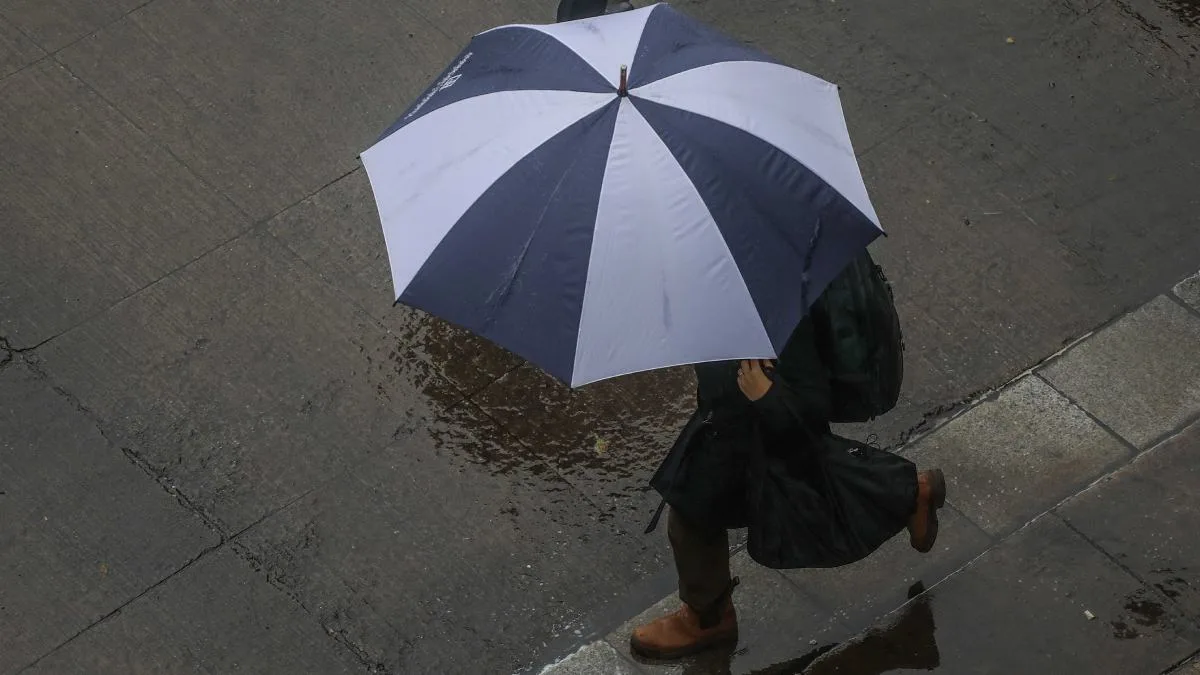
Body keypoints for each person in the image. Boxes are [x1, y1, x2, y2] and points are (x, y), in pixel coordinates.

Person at [630, 314, 947, 660]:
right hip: (725, 426)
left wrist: (766, 394)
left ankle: (910, 493)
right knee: (694, 510)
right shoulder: (719, 301)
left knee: (817, 499)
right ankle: (708, 614)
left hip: (763, 425)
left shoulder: (783, 319)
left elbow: (811, 412)